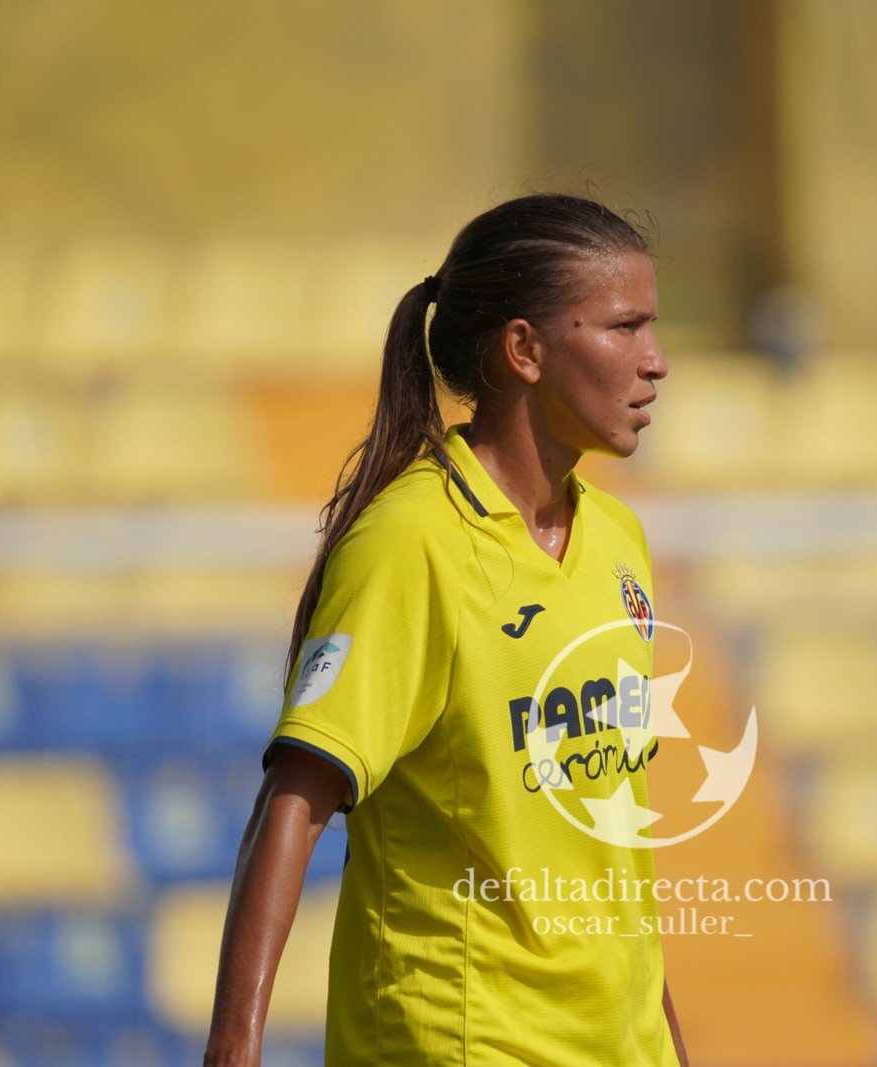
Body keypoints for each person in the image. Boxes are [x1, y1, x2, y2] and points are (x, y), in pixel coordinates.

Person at [204, 193, 688, 1066]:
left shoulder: (622, 541)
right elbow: (293, 802)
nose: (655, 361)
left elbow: (614, 860)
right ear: (524, 349)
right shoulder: (410, 542)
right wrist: (233, 1046)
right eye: (624, 327)